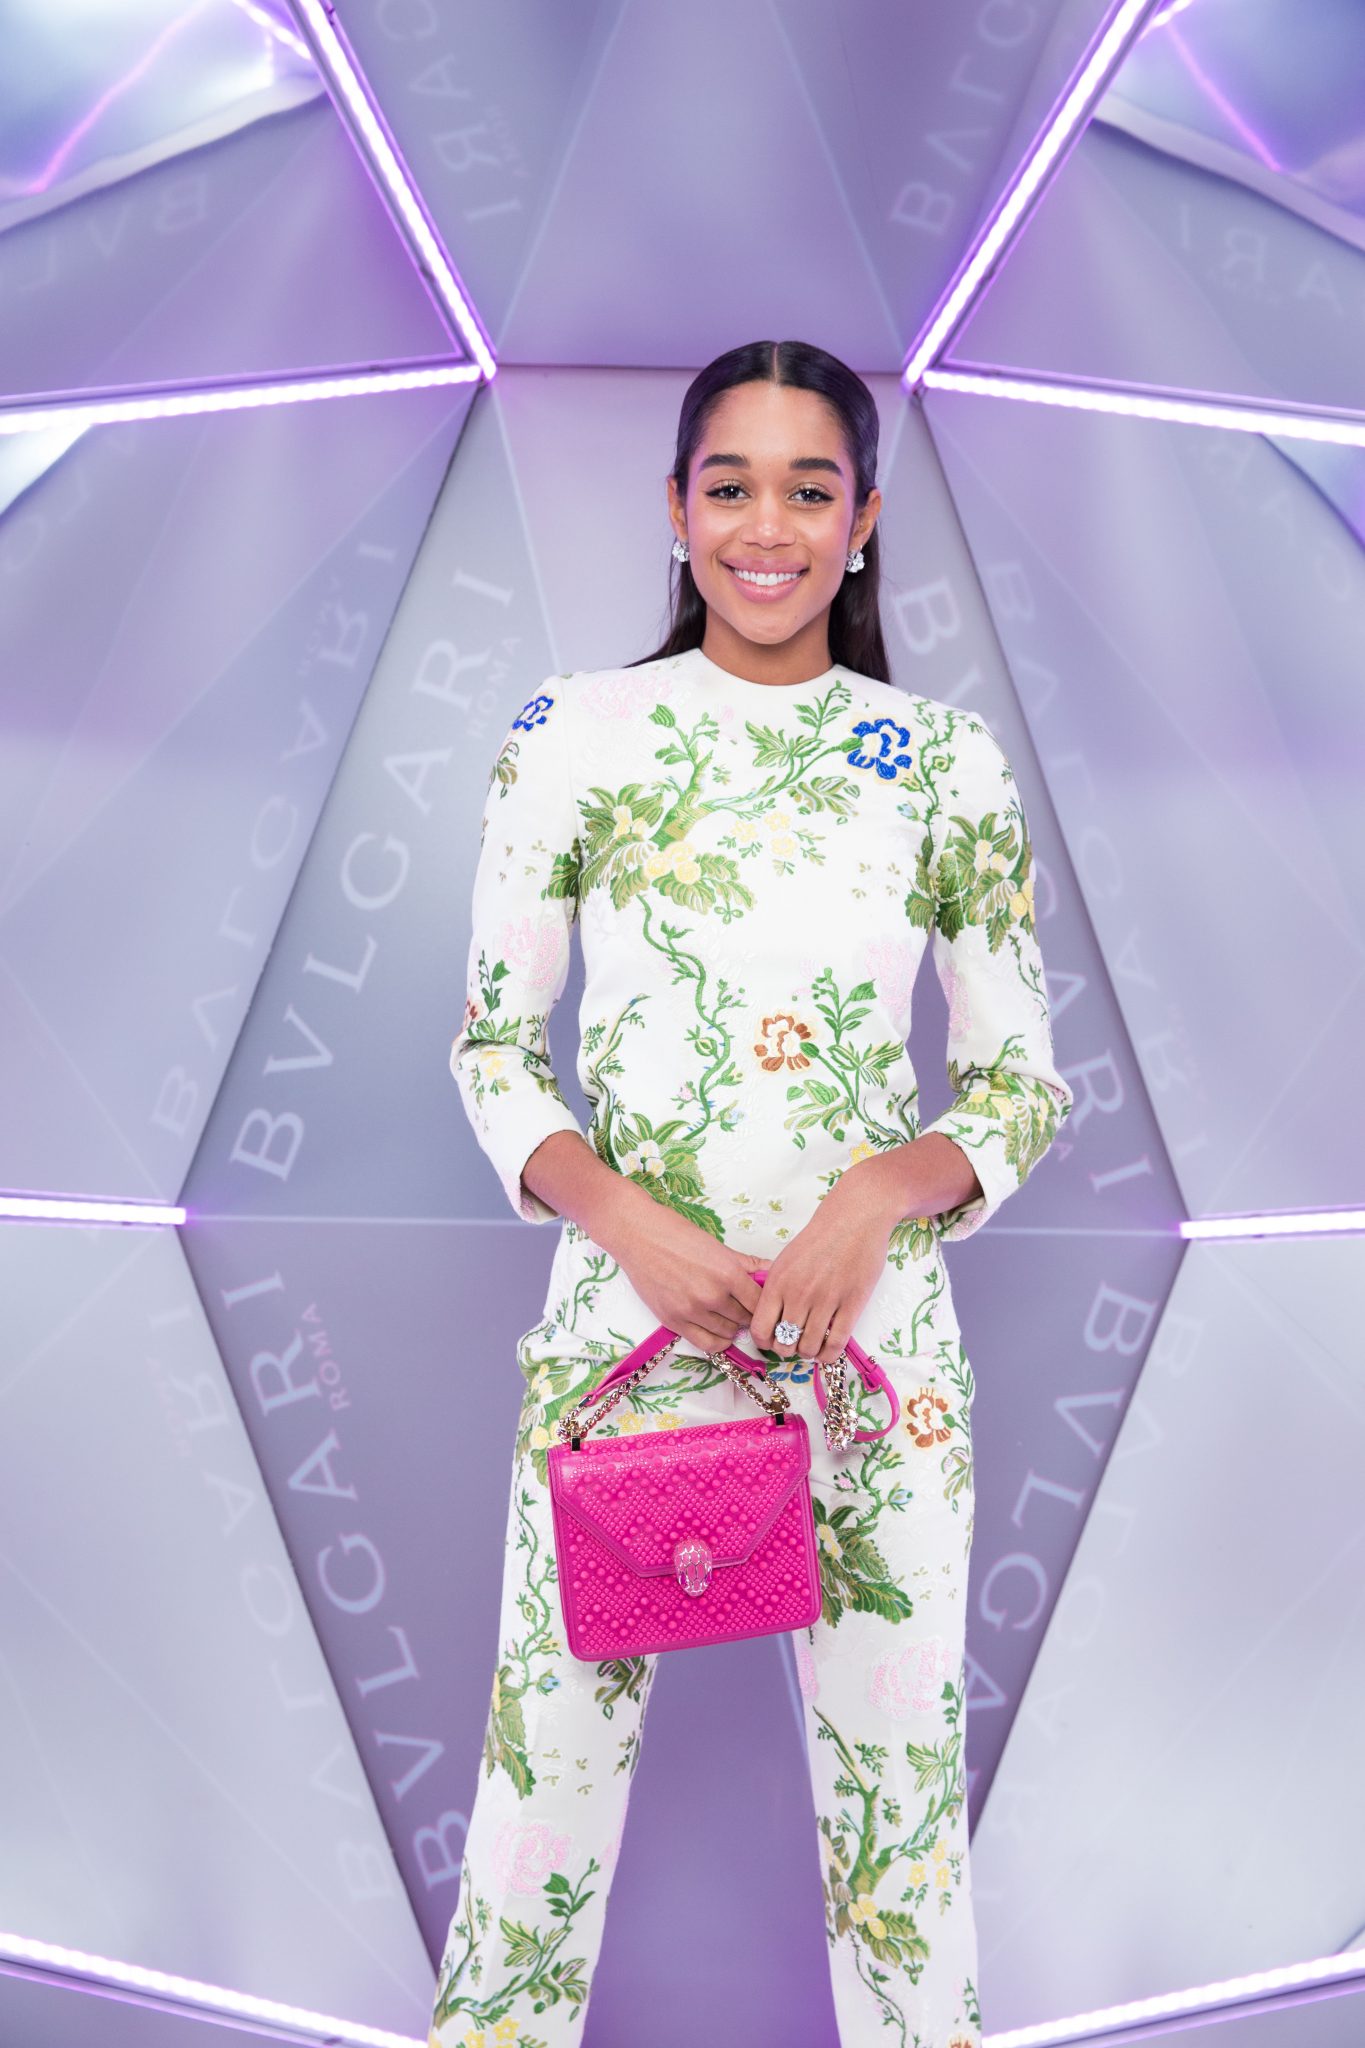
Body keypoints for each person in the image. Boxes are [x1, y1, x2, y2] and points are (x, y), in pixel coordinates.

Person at [428, 338, 1073, 2048]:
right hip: (626, 1347)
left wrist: (875, 1197)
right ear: (674, 508)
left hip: (876, 1364)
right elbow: (492, 1051)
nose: (766, 528)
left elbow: (1020, 1084)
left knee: (898, 1824)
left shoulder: (941, 761)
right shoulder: (574, 735)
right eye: (730, 487)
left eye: (808, 489)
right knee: (540, 1795)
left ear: (862, 520)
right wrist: (625, 1224)